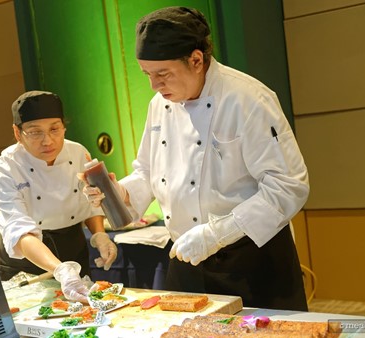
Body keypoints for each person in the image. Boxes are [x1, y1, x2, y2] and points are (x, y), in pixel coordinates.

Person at [82, 6, 310, 311]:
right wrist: (119, 193)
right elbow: (148, 172)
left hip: (252, 259)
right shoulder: (159, 105)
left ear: (196, 60)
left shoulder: (248, 99)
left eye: (163, 74)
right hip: (187, 258)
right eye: (147, 75)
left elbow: (288, 187)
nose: (154, 85)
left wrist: (216, 234)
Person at [0, 90, 117, 303]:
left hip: (72, 247)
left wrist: (99, 235)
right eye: (35, 132)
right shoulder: (6, 168)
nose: (48, 141)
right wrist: (60, 269)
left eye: (55, 129)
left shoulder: (77, 153)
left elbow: (89, 202)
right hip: (26, 256)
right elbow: (19, 231)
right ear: (18, 133)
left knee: (80, 316)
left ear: (64, 127)